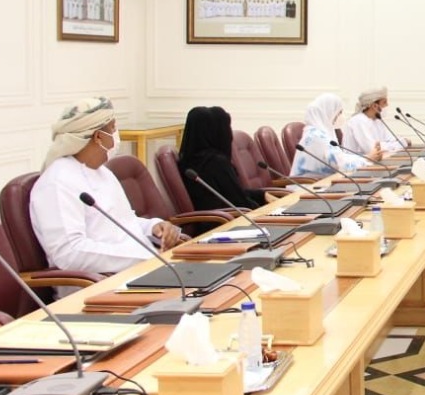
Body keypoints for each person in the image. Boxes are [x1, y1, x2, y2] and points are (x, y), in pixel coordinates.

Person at [29, 97, 183, 274]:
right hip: (100, 282)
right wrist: (145, 256)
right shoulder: (57, 182)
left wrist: (154, 227)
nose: (117, 135)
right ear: (98, 137)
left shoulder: (103, 172)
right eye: (113, 128)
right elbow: (70, 253)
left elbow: (124, 224)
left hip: (139, 270)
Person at [178, 106, 264, 211]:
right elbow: (240, 202)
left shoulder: (185, 161)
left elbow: (234, 193)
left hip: (215, 217)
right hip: (227, 218)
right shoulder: (216, 162)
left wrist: (263, 195)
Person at [290, 93, 370, 176]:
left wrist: (365, 158)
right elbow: (340, 164)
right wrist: (366, 159)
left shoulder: (321, 132)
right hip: (309, 183)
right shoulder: (316, 137)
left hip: (321, 181)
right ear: (328, 112)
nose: (341, 116)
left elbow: (340, 157)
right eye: (339, 113)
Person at [342, 87, 406, 160]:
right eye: (384, 102)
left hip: (375, 162)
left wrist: (400, 142)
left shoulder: (377, 120)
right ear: (374, 106)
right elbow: (372, 150)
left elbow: (394, 140)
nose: (387, 105)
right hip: (358, 164)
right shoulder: (358, 121)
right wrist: (398, 144)